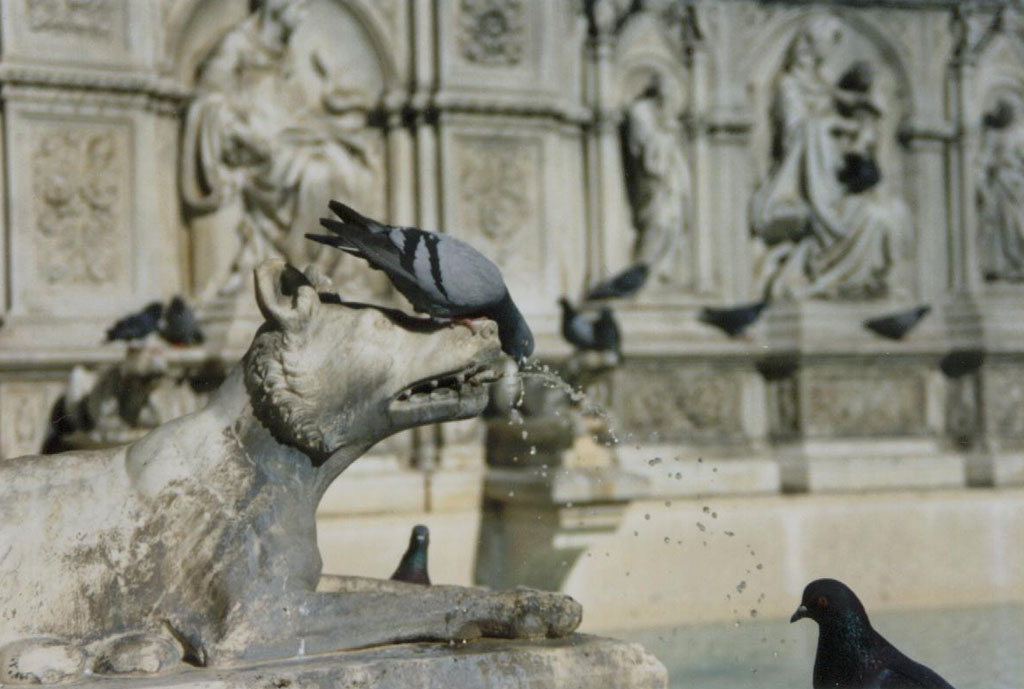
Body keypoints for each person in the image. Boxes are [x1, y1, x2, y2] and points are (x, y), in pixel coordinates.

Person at [180, 0, 376, 296]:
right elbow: (208, 99)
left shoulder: (283, 50)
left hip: (286, 136)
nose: (304, 14)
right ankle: (302, 269)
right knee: (315, 175)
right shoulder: (236, 43)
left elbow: (293, 107)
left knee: (346, 169)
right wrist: (242, 130)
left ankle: (325, 269)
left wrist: (326, 129)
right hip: (257, 145)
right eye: (299, 6)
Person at [751, 26, 907, 300]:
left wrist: (859, 122)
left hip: (834, 176)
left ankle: (868, 280)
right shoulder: (788, 84)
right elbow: (795, 133)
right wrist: (839, 125)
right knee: (870, 217)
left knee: (889, 213)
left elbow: (848, 105)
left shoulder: (824, 82)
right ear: (811, 45)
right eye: (828, 42)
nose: (832, 49)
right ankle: (826, 266)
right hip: (808, 179)